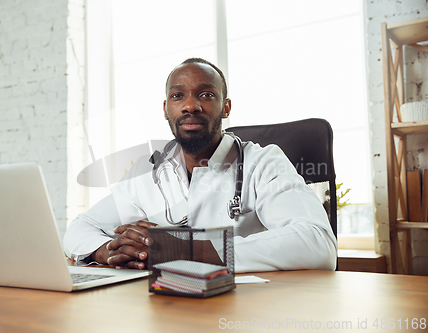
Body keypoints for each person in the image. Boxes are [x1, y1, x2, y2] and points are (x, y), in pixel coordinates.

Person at [63, 58, 337, 272]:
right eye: (177, 96)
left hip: (243, 307)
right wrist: (109, 251)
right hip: (163, 303)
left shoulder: (263, 162)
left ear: (226, 107)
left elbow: (317, 243)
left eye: (205, 94)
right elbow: (79, 227)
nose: (190, 106)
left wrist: (184, 250)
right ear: (165, 109)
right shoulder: (149, 170)